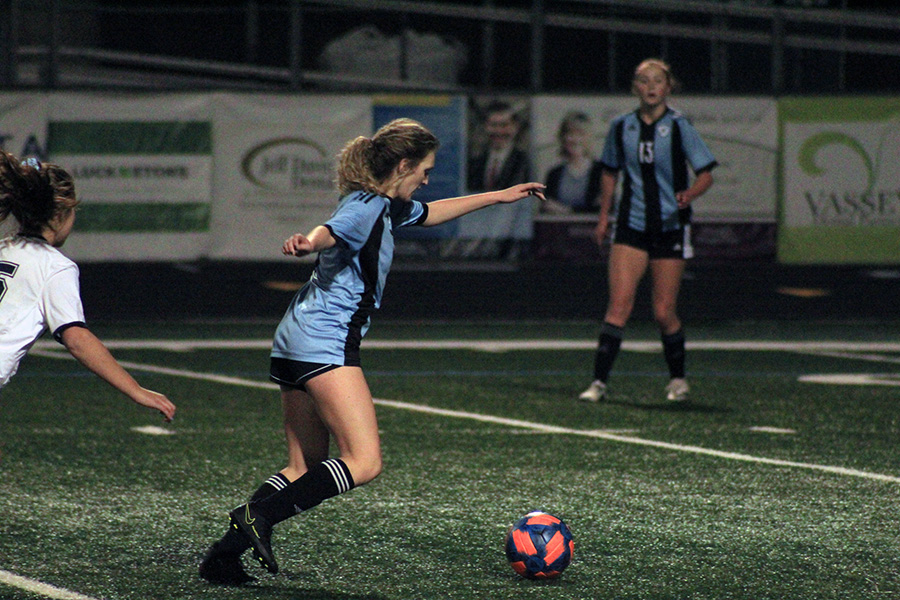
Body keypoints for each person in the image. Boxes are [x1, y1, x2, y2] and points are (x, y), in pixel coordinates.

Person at [199, 118, 546, 585]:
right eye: (423, 169)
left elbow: (432, 211)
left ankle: (223, 556)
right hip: (325, 340)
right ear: (402, 165)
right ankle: (255, 518)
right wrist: (309, 242)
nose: (426, 179)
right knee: (364, 461)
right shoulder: (367, 206)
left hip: (295, 336)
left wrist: (499, 195)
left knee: (303, 466)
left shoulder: (383, 205)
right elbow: (331, 230)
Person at [0, 150, 176, 422]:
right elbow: (77, 339)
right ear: (61, 214)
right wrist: (136, 390)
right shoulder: (55, 267)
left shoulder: (3, 248)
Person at [578, 58, 716, 404]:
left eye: (658, 80)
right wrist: (604, 216)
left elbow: (706, 173)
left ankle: (678, 379)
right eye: (643, 80)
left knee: (663, 311)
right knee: (619, 306)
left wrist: (690, 194)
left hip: (670, 226)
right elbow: (610, 172)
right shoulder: (621, 126)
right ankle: (598, 382)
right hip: (632, 225)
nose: (651, 86)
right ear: (634, 88)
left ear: (669, 88)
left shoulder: (681, 126)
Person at [542, 111, 603, 214]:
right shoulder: (554, 174)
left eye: (580, 134)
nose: (575, 139)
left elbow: (601, 208)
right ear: (562, 137)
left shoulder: (601, 171)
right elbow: (547, 206)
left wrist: (567, 211)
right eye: (570, 134)